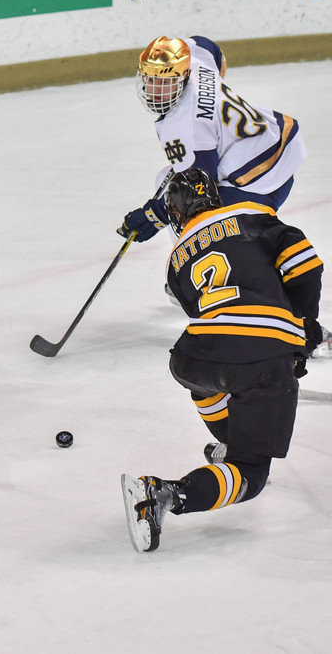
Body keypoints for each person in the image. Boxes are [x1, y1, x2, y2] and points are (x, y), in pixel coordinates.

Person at [121, 169, 323, 553]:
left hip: (192, 355)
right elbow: (303, 261)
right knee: (251, 473)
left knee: (209, 379)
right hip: (260, 356)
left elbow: (212, 313)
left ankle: (230, 443)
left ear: (177, 213)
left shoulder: (176, 259)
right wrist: (301, 328)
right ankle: (165, 493)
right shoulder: (249, 213)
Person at [116, 35, 306, 243]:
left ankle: (200, 258)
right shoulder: (194, 57)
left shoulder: (184, 126)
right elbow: (208, 47)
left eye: (164, 82)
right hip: (269, 138)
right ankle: (185, 258)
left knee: (205, 221)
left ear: (183, 76)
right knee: (164, 180)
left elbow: (198, 189)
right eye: (149, 79)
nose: (154, 90)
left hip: (263, 180)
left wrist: (155, 215)